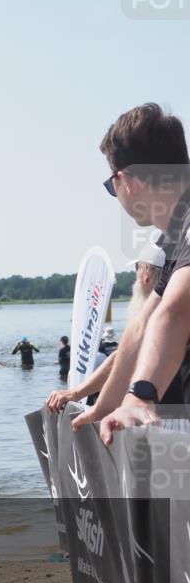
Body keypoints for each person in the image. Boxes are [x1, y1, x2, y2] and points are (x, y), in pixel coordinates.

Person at [69, 103, 190, 442]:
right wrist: (104, 406)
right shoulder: (175, 234)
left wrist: (140, 395)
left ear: (126, 181)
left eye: (112, 186)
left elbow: (176, 313)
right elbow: (142, 326)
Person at [46, 243, 165, 412]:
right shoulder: (175, 305)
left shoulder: (157, 311)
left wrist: (75, 393)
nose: (135, 276)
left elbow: (123, 359)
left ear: (146, 274)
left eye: (137, 268)